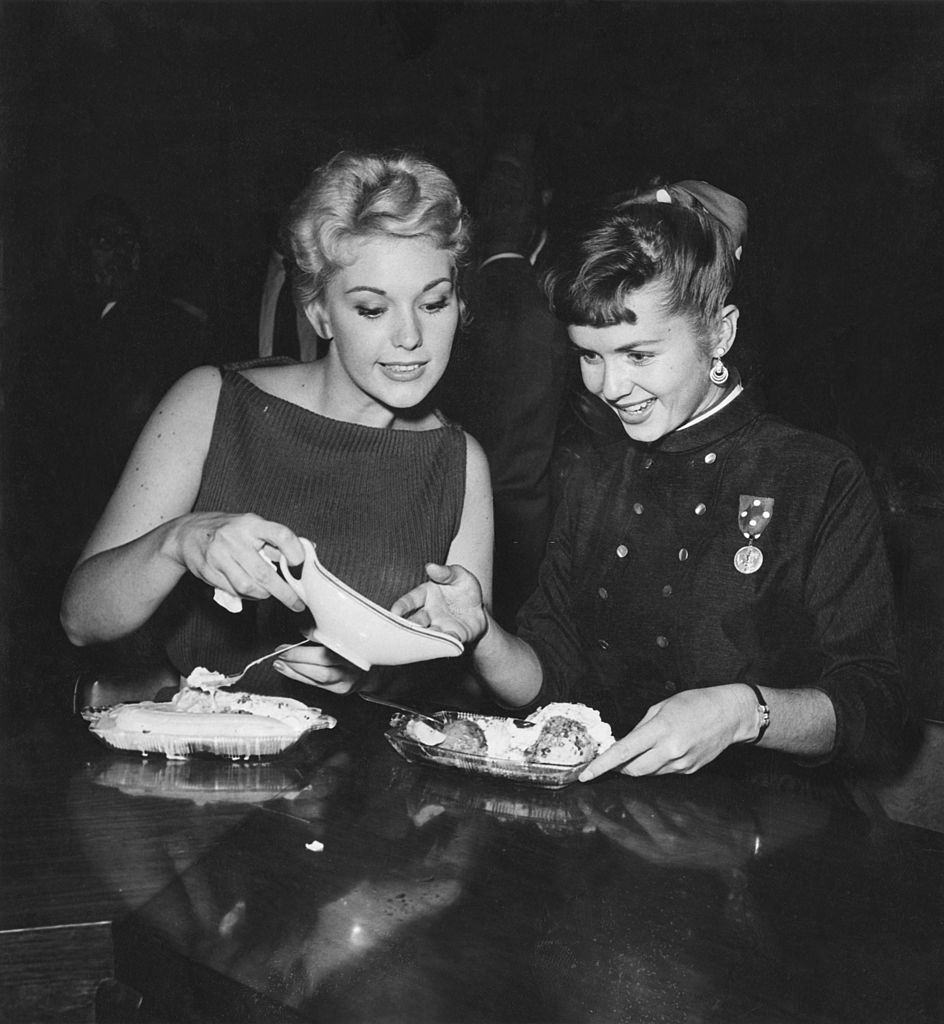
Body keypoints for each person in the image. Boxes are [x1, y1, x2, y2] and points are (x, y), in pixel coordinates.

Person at [391, 179, 913, 780]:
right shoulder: (593, 475)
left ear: (720, 332)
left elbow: (876, 708)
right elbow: (549, 683)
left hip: (767, 834)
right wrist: (480, 632)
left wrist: (745, 713)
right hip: (603, 827)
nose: (609, 387)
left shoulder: (816, 477)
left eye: (638, 355)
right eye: (591, 356)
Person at [60, 151, 492, 696]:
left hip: (363, 775)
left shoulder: (459, 462)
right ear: (318, 313)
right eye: (371, 309)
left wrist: (374, 678)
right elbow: (80, 618)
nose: (410, 337)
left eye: (433, 303)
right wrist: (178, 541)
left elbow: (464, 682)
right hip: (193, 763)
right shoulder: (210, 402)